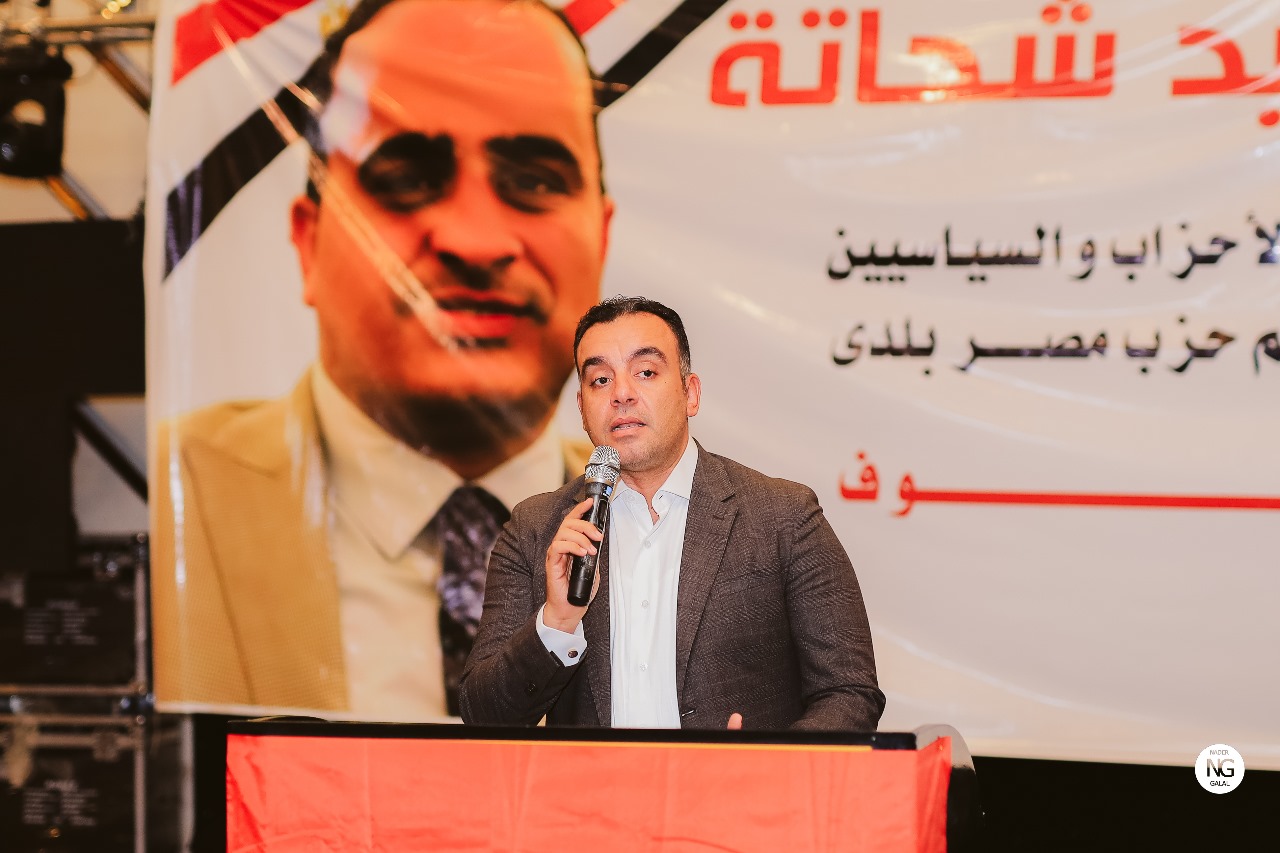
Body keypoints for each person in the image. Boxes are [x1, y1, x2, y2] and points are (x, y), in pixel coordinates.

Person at [150, 0, 613, 718]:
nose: (474, 241)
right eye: (405, 177)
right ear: (308, 242)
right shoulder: (167, 509)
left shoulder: (682, 532)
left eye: (535, 180)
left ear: (602, 241)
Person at [460, 297, 884, 730]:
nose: (621, 394)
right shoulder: (536, 531)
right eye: (601, 380)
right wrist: (556, 622)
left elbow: (850, 693)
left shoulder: (782, 517)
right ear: (582, 408)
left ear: (690, 394)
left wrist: (768, 763)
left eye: (645, 372)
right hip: (592, 778)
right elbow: (482, 717)